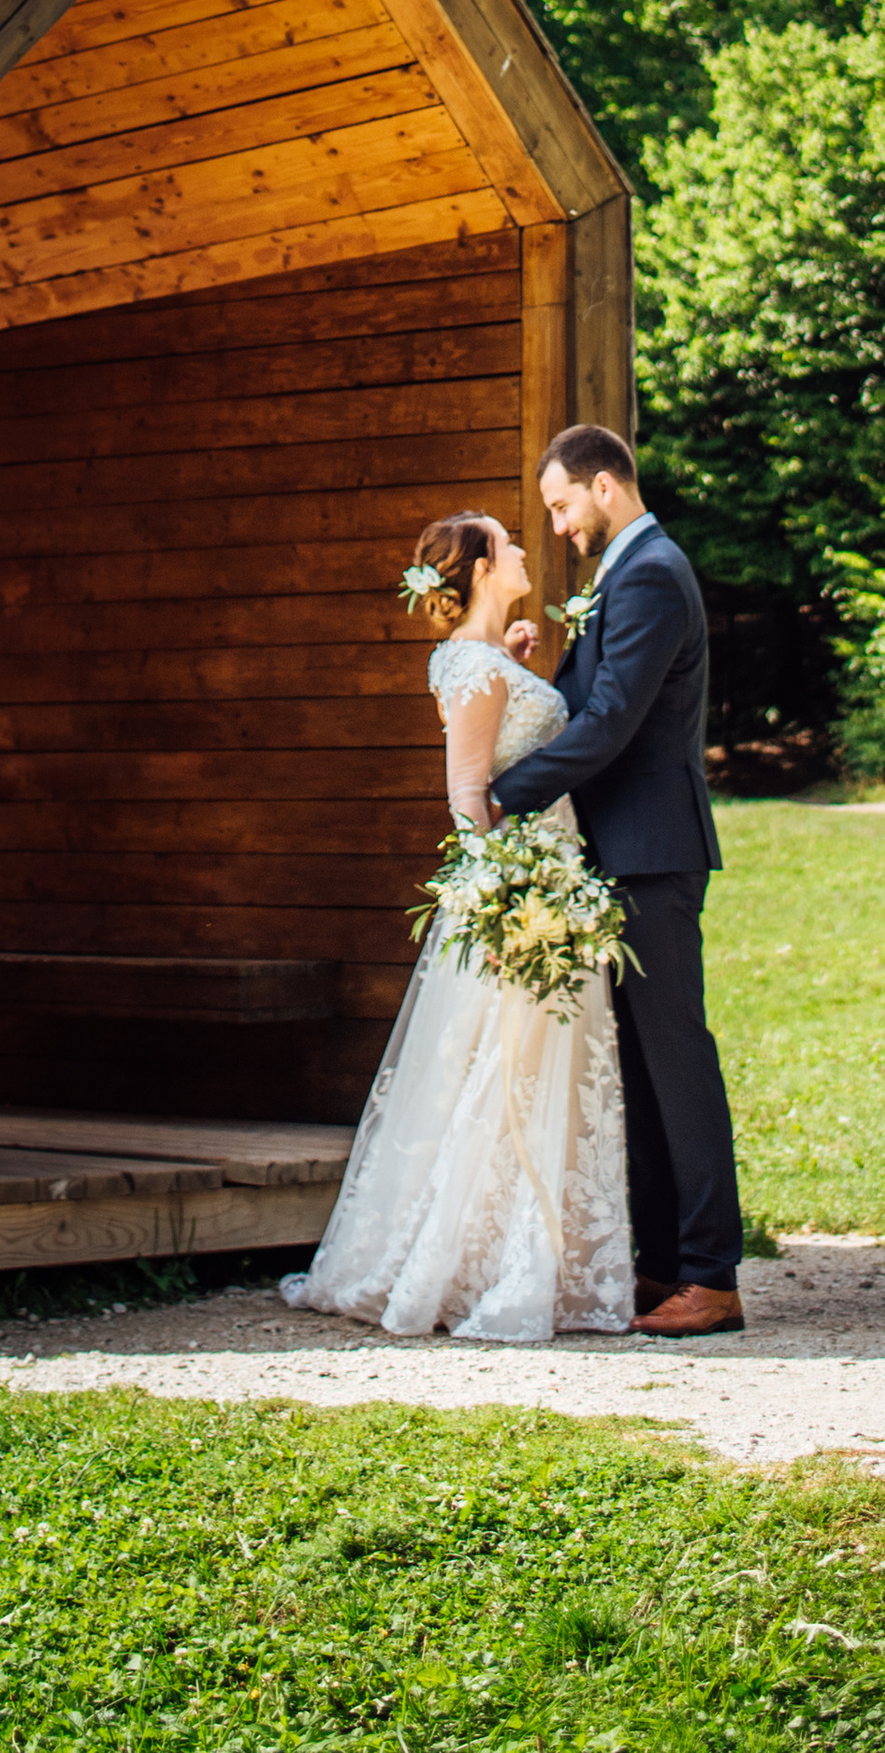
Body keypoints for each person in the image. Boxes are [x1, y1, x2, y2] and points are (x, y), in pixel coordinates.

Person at [279, 509, 633, 1342]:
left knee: (534, 1072)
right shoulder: (470, 667)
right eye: (507, 545)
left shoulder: (483, 660)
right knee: (503, 1074)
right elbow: (468, 795)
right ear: (477, 569)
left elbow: (507, 735)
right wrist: (513, 896)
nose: (521, 551)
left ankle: (532, 1254)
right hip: (522, 895)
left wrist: (513, 668)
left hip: (551, 878)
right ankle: (480, 1263)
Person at [488, 418, 745, 1338]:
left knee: (678, 1060)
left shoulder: (649, 573)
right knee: (640, 1065)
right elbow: (583, 703)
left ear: (605, 486)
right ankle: (668, 1265)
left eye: (561, 505)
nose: (556, 525)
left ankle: (713, 1276)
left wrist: (501, 794)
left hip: (652, 852)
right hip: (620, 852)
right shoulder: (623, 574)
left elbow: (608, 727)